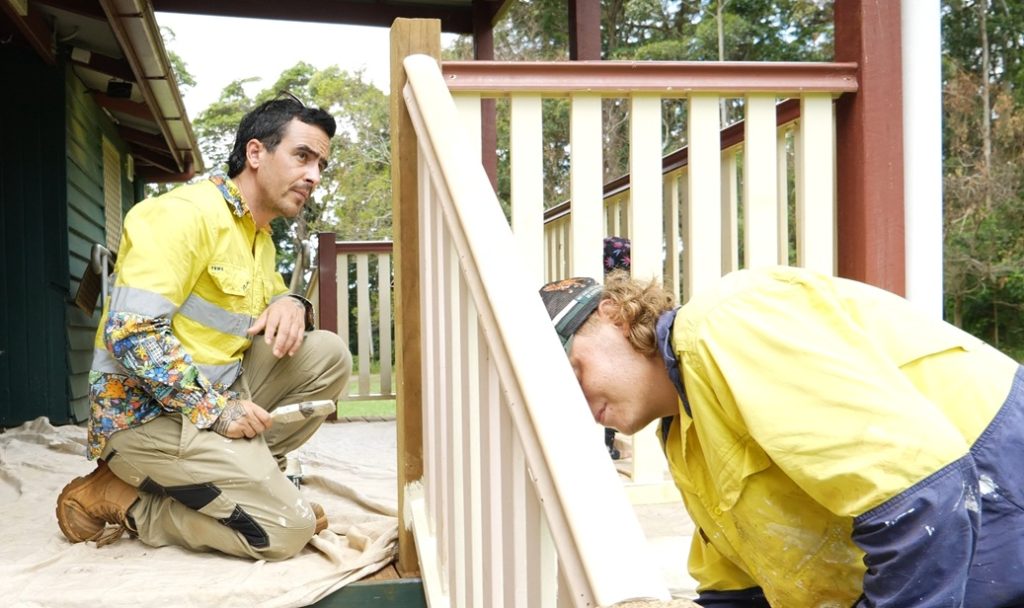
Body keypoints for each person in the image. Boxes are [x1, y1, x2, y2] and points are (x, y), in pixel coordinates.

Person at [539, 265, 1024, 607]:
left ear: (614, 316)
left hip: (996, 491)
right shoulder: (687, 439)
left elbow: (920, 499)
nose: (572, 400)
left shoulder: (723, 323)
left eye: (569, 370)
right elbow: (738, 593)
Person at [55, 95, 352, 561]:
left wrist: (292, 301)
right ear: (256, 154)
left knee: (328, 354)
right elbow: (131, 331)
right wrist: (216, 411)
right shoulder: (183, 214)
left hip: (210, 403)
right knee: (286, 532)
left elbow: (266, 306)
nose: (314, 175)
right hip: (144, 417)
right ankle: (123, 498)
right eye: (302, 156)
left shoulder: (258, 236)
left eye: (320, 164)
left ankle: (249, 484)